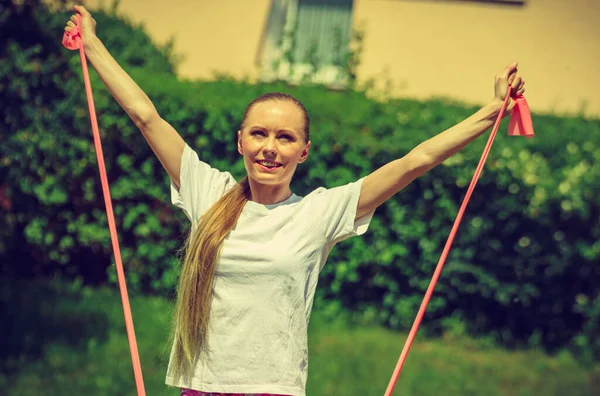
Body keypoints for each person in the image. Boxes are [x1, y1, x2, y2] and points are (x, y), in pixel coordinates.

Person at [64, 5, 526, 396]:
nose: (270, 147)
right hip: (200, 385)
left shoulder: (320, 212)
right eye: (259, 133)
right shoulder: (208, 190)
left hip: (275, 388)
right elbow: (146, 116)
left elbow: (414, 161)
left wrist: (491, 110)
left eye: (285, 138)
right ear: (240, 141)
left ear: (303, 152)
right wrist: (93, 43)